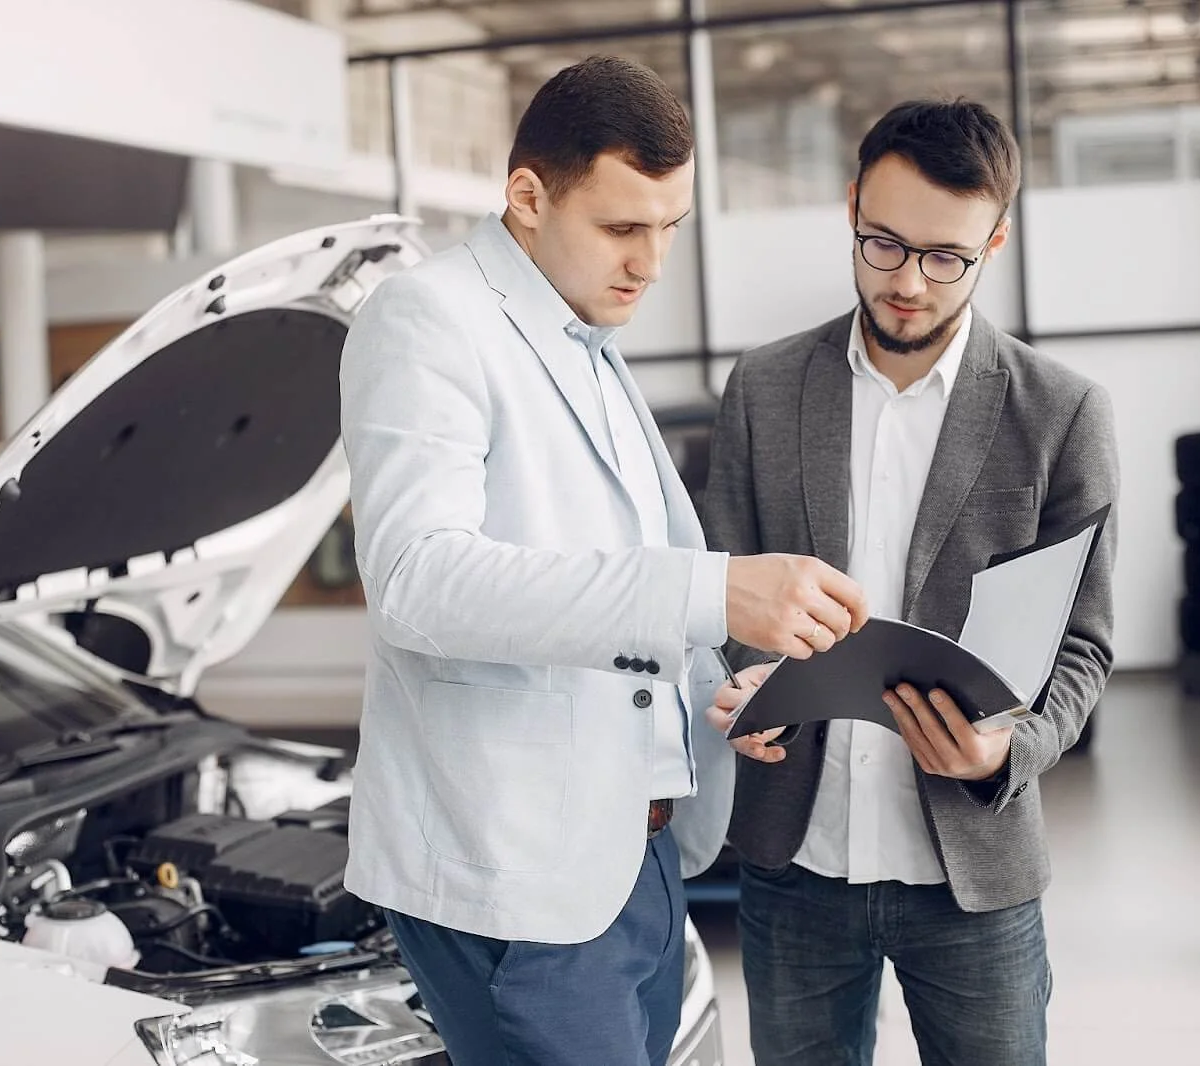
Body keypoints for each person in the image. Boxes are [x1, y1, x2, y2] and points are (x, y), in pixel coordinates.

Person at [337, 56, 867, 1066]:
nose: (652, 263)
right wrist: (715, 590)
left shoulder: (581, 329)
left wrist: (722, 685)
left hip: (642, 853)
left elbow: (619, 573)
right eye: (624, 228)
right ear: (526, 197)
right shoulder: (427, 320)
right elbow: (417, 579)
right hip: (521, 876)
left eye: (670, 228)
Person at [701, 98, 1119, 1066]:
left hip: (971, 873)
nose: (907, 282)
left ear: (994, 239)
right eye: (881, 244)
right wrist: (747, 676)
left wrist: (1002, 751)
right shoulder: (762, 389)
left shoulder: (1061, 412)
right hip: (793, 862)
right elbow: (724, 585)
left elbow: (1084, 644)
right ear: (850, 206)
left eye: (945, 258)